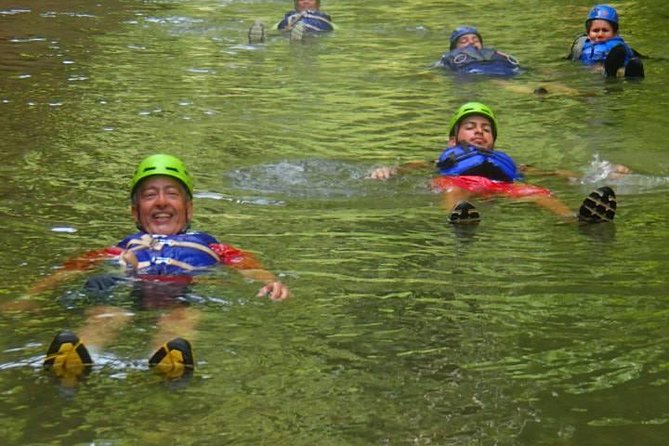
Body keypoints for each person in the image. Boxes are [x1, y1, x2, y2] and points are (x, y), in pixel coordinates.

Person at [15, 154, 289, 385]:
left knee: (181, 316)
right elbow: (73, 268)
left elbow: (245, 264)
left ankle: (168, 359)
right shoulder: (123, 247)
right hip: (127, 287)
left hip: (183, 288)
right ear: (135, 213)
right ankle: (80, 356)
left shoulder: (208, 244)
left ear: (188, 209)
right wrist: (30, 296)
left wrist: (270, 281)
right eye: (150, 195)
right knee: (106, 314)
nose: (161, 202)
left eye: (171, 194)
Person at [369, 102, 628, 225]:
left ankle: (575, 218)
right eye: (470, 128)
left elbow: (551, 173)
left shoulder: (506, 162)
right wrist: (388, 170)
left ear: (493, 139)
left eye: (486, 129)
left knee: (540, 191)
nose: (479, 132)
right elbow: (409, 167)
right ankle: (458, 217)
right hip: (458, 182)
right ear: (453, 140)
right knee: (452, 189)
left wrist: (600, 174)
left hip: (500, 186)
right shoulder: (444, 158)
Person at [567, 4, 644, 78]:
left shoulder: (619, 48)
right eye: (595, 31)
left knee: (621, 58)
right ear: (588, 34)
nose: (600, 34)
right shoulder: (581, 47)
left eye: (605, 30)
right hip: (591, 70)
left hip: (615, 66)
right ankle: (610, 73)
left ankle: (625, 74)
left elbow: (639, 57)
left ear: (615, 33)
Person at [433, 26, 522, 77]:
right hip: (474, 73)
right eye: (464, 41)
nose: (471, 42)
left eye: (475, 40)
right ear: (454, 48)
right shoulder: (450, 57)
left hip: (506, 69)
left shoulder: (493, 53)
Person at [248, 0, 334, 44]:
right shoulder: (285, 20)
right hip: (289, 30)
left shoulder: (325, 21)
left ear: (318, 4)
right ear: (295, 4)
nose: (306, 2)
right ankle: (260, 38)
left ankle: (260, 41)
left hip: (311, 32)